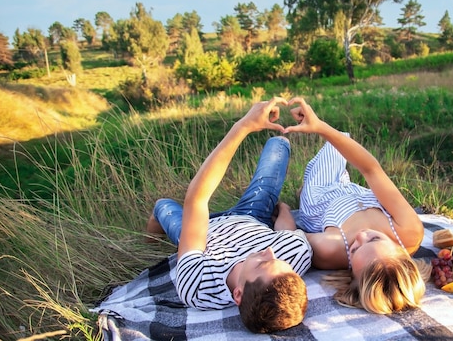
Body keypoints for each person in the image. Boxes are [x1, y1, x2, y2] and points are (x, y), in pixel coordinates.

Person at [145, 98, 313, 333]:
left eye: (262, 263)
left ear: (238, 294)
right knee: (279, 145)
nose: (270, 251)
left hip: (201, 230)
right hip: (252, 216)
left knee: (162, 207)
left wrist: (243, 126)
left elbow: (197, 200)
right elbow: (286, 233)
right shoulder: (291, 262)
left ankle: (147, 244)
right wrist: (283, 208)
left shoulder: (197, 286)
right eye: (277, 259)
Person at [282, 97, 426, 315]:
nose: (360, 236)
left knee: (330, 155)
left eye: (355, 248)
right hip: (352, 190)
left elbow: (287, 237)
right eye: (375, 238)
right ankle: (322, 180)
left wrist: (282, 208)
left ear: (352, 274)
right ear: (401, 250)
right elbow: (371, 170)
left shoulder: (331, 248)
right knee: (340, 140)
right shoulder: (410, 231)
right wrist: (320, 126)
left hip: (322, 198)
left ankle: (303, 191)